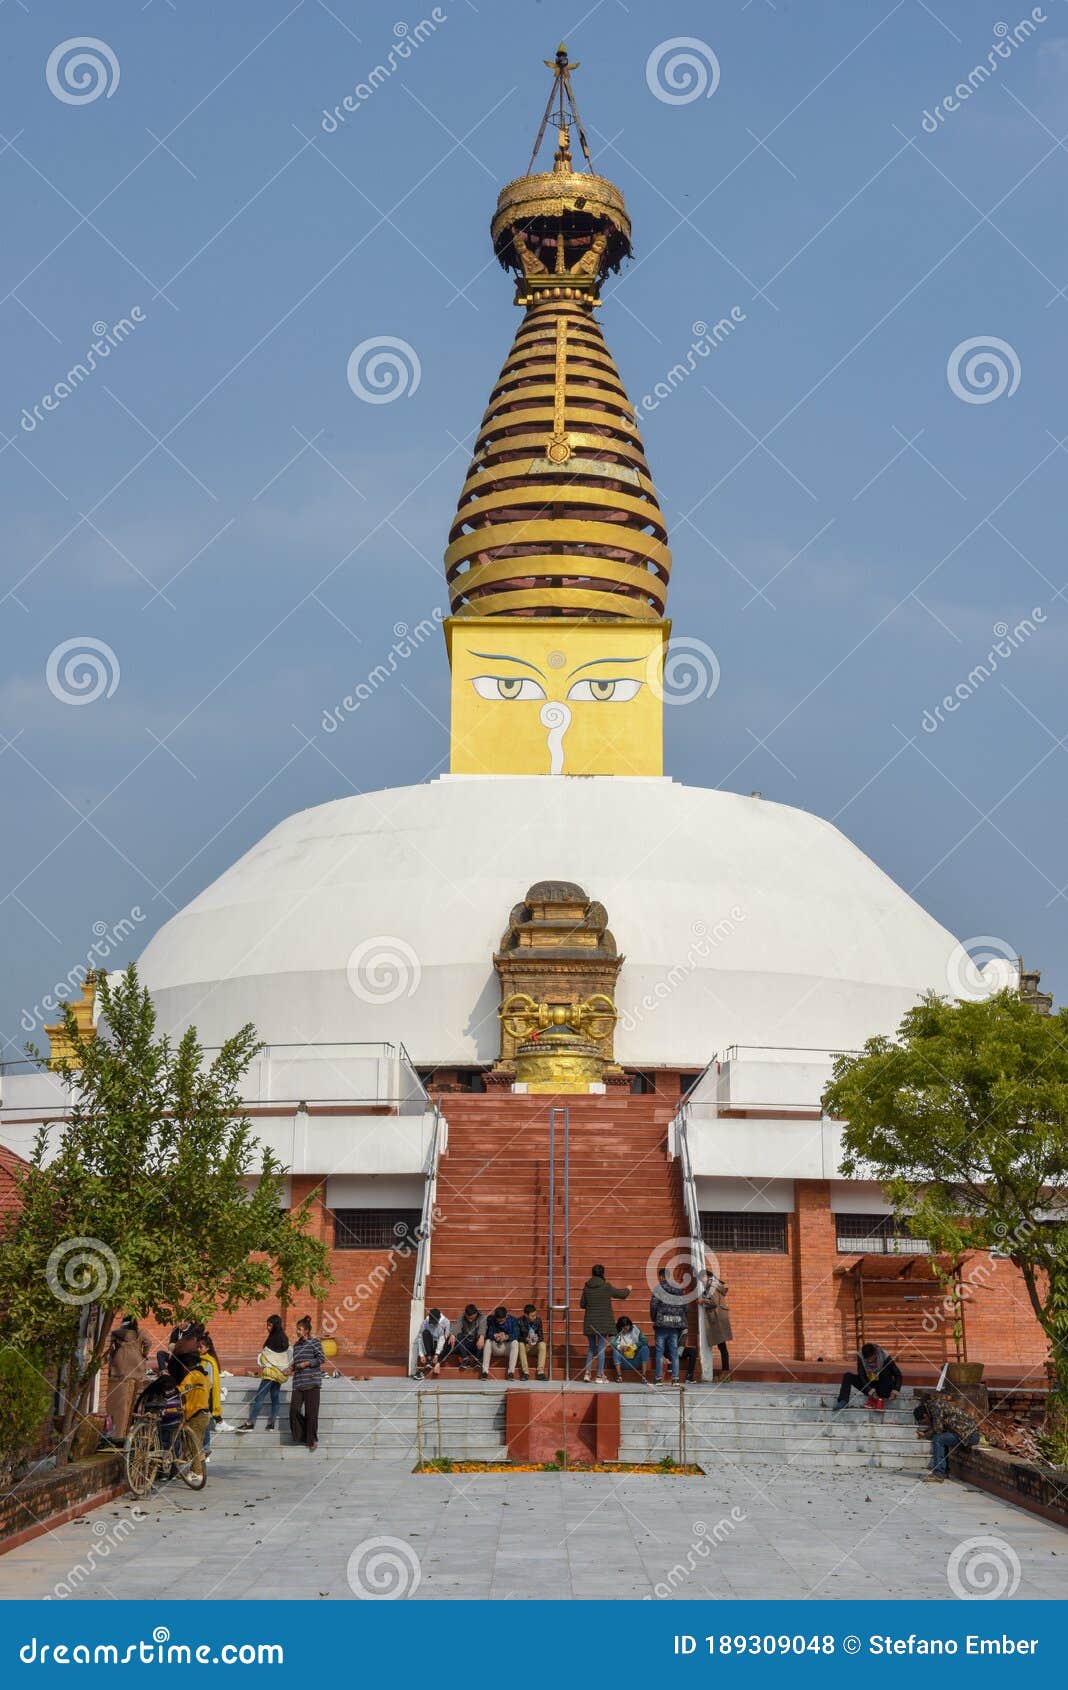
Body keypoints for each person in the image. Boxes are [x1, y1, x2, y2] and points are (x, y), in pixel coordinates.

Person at [238, 1319, 292, 1432]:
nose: (267, 1328)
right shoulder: (284, 1338)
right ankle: (271, 1424)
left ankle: (250, 1423)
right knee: (275, 1397)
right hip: (278, 1375)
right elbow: (285, 1356)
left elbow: (267, 1355)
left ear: (275, 1325)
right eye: (267, 1325)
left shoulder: (273, 1338)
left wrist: (264, 1358)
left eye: (270, 1325)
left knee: (259, 1397)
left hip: (269, 1374)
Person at [580, 1265, 630, 1383]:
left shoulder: (586, 1287)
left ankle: (587, 1374)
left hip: (590, 1322)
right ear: (603, 1273)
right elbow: (621, 1294)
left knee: (591, 1347)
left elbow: (582, 1304)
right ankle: (599, 1375)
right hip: (603, 1323)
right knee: (601, 1348)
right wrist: (628, 1289)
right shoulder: (606, 1286)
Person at [105, 1317, 151, 1440]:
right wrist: (144, 1353)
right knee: (135, 1401)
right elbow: (148, 1342)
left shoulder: (115, 1334)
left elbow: (108, 1344)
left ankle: (117, 1431)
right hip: (137, 1368)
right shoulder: (140, 1333)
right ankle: (131, 1429)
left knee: (120, 1402)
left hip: (120, 1369)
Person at [917, 1393, 981, 1482]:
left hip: (970, 1435)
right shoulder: (933, 1406)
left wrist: (925, 1435)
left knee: (938, 1439)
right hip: (966, 1434)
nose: (925, 1424)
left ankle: (939, 1474)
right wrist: (927, 1433)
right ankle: (944, 1471)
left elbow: (938, 1429)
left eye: (923, 1422)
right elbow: (940, 1428)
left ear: (925, 1415)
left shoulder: (935, 1406)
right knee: (942, 1437)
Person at [288, 1316, 326, 1451]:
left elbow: (321, 1358)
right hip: (298, 1383)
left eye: (300, 1329)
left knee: (311, 1414)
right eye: (297, 1329)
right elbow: (296, 1362)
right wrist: (290, 1369)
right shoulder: (297, 1345)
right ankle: (304, 1435)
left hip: (312, 1382)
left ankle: (312, 1439)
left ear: (307, 1331)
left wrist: (308, 1363)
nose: (297, 1331)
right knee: (294, 1411)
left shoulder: (314, 1342)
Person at [834, 1341, 903, 1411]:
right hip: (869, 1385)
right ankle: (843, 1400)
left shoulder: (884, 1355)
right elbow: (862, 1376)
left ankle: (877, 1401)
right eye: (867, 1359)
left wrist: (895, 1391)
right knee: (847, 1376)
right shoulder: (861, 1357)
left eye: (871, 1358)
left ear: (875, 1353)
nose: (870, 1361)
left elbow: (898, 1374)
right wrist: (870, 1390)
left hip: (884, 1386)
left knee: (885, 1372)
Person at [649, 1266, 688, 1385]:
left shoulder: (658, 1289)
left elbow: (653, 1306)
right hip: (675, 1324)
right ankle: (675, 1379)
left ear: (661, 1277)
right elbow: (685, 1307)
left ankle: (658, 1378)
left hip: (662, 1324)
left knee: (660, 1351)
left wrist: (655, 1318)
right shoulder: (678, 1289)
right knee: (674, 1352)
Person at [178, 1351, 212, 1479]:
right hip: (204, 1414)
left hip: (195, 1414)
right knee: (197, 1443)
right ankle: (195, 1470)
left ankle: (197, 1473)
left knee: (194, 1445)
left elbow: (180, 1390)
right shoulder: (204, 1376)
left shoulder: (191, 1376)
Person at [699, 1272, 733, 1379]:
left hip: (717, 1319)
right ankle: (726, 1372)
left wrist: (702, 1300)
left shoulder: (712, 1287)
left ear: (707, 1277)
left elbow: (713, 1302)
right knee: (722, 1346)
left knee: (722, 1347)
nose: (702, 1281)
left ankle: (726, 1372)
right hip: (719, 1318)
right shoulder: (715, 1285)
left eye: (702, 1278)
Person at [196, 1333, 222, 1459]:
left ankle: (206, 1449)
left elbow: (210, 1382)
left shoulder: (209, 1362)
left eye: (201, 1347)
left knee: (205, 1424)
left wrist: (202, 1390)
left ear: (207, 1348)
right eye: (197, 1347)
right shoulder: (198, 1360)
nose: (198, 1349)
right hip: (197, 1396)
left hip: (205, 1396)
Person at [160, 1318, 203, 1383]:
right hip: (174, 1353)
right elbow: (171, 1344)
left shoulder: (192, 1330)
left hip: (185, 1355)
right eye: (177, 1322)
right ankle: (164, 1371)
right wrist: (172, 1348)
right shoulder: (176, 1330)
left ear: (187, 1322)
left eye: (180, 1322)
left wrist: (176, 1346)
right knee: (160, 1353)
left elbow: (187, 1345)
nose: (178, 1324)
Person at [415, 1308, 454, 1378]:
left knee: (449, 1340)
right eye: (431, 1322)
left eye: (434, 1322)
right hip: (429, 1346)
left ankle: (436, 1363)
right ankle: (430, 1359)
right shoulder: (425, 1322)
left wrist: (436, 1355)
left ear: (438, 1319)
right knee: (425, 1332)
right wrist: (421, 1355)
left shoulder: (445, 1322)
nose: (432, 1324)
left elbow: (442, 1340)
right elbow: (420, 1338)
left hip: (440, 1346)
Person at [481, 1306, 519, 1378]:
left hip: (507, 1347)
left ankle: (511, 1372)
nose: (500, 1323)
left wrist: (506, 1337)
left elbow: (516, 1334)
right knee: (488, 1341)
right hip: (496, 1347)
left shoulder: (513, 1320)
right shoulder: (492, 1319)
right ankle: (484, 1371)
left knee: (515, 1343)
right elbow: (489, 1334)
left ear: (506, 1316)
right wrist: (495, 1336)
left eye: (502, 1320)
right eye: (498, 1321)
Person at [610, 1315, 649, 1383]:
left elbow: (645, 1341)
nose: (626, 1328)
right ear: (620, 1327)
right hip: (624, 1361)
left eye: (627, 1326)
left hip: (635, 1360)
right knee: (615, 1351)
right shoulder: (617, 1331)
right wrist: (620, 1347)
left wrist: (634, 1346)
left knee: (645, 1348)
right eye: (623, 1327)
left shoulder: (635, 1329)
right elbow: (612, 1342)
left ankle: (644, 1376)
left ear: (630, 1324)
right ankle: (619, 1376)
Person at [516, 1304, 546, 1380]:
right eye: (532, 1316)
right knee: (520, 1344)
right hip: (525, 1346)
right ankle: (525, 1372)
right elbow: (517, 1337)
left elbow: (541, 1336)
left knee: (542, 1344)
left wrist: (537, 1338)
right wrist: (526, 1339)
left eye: (535, 1315)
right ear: (526, 1315)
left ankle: (540, 1372)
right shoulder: (519, 1321)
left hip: (534, 1346)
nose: (534, 1317)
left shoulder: (538, 1321)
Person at [454, 1304, 486, 1371]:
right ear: (465, 1314)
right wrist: (453, 1334)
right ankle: (465, 1360)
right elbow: (457, 1328)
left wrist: (482, 1336)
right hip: (466, 1344)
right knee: (458, 1336)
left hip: (477, 1343)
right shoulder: (461, 1317)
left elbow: (482, 1329)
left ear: (476, 1314)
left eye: (472, 1318)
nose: (470, 1320)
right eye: (468, 1318)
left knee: (482, 1337)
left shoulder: (482, 1317)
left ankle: (477, 1360)